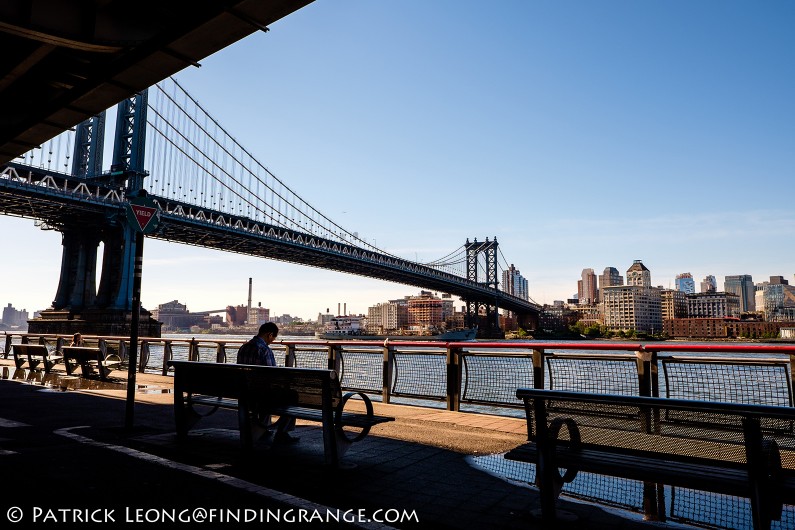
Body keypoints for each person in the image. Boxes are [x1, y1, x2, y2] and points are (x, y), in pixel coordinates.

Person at [237, 322, 298, 444]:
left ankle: (263, 429)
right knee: (292, 396)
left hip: (244, 392)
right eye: (273, 338)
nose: (272, 341)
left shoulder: (243, 348)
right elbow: (271, 375)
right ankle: (283, 433)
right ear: (269, 335)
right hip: (261, 394)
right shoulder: (264, 350)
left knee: (267, 394)